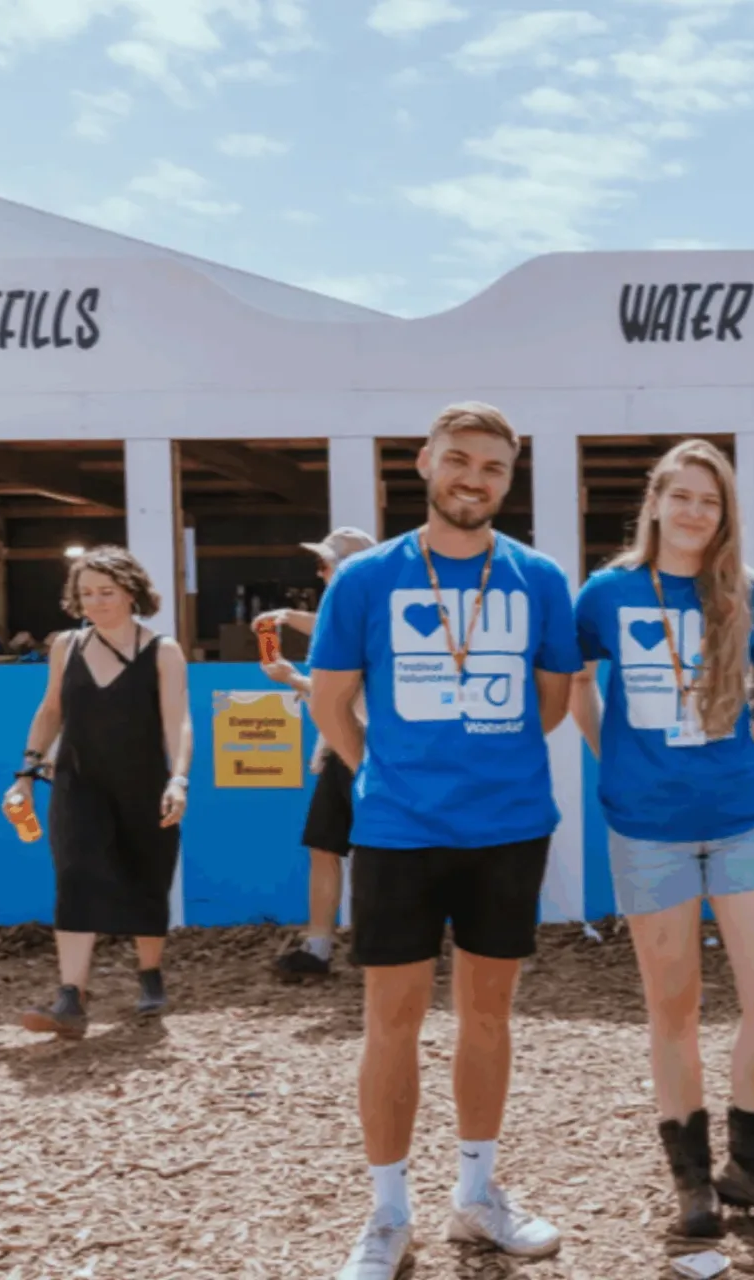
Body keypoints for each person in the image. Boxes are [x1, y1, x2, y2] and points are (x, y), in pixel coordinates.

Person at [308, 403, 581, 1280]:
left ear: (509, 479)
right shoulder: (366, 579)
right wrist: (384, 773)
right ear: (426, 463)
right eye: (459, 460)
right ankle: (388, 1214)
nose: (475, 479)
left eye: (494, 468)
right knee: (390, 1023)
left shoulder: (538, 578)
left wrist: (483, 769)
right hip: (398, 832)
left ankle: (476, 1197)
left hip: (507, 829)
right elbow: (329, 701)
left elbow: (549, 703)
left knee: (488, 1017)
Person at [569, 439, 754, 1236]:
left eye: (709, 501)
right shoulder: (607, 592)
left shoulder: (750, 591)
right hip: (649, 828)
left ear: (725, 514)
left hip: (742, 816)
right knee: (673, 1005)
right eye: (680, 496)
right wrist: (611, 759)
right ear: (654, 502)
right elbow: (578, 680)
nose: (693, 512)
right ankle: (692, 1182)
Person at [7, 547, 193, 1038]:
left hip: (145, 783)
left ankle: (150, 974)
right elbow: (51, 712)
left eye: (106, 592)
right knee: (76, 875)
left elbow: (179, 722)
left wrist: (178, 778)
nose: (95, 602)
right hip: (77, 781)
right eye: (86, 593)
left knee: (145, 875)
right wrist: (26, 773)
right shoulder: (66, 646)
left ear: (131, 592)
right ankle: (70, 997)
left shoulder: (162, 650)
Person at [255, 526, 380, 980]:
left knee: (362, 850)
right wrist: (287, 616)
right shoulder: (354, 610)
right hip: (344, 745)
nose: (321, 570)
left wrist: (291, 678)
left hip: (368, 746)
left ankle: (366, 943)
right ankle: (322, 947)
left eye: (326, 563)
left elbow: (341, 693)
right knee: (326, 847)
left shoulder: (369, 614)